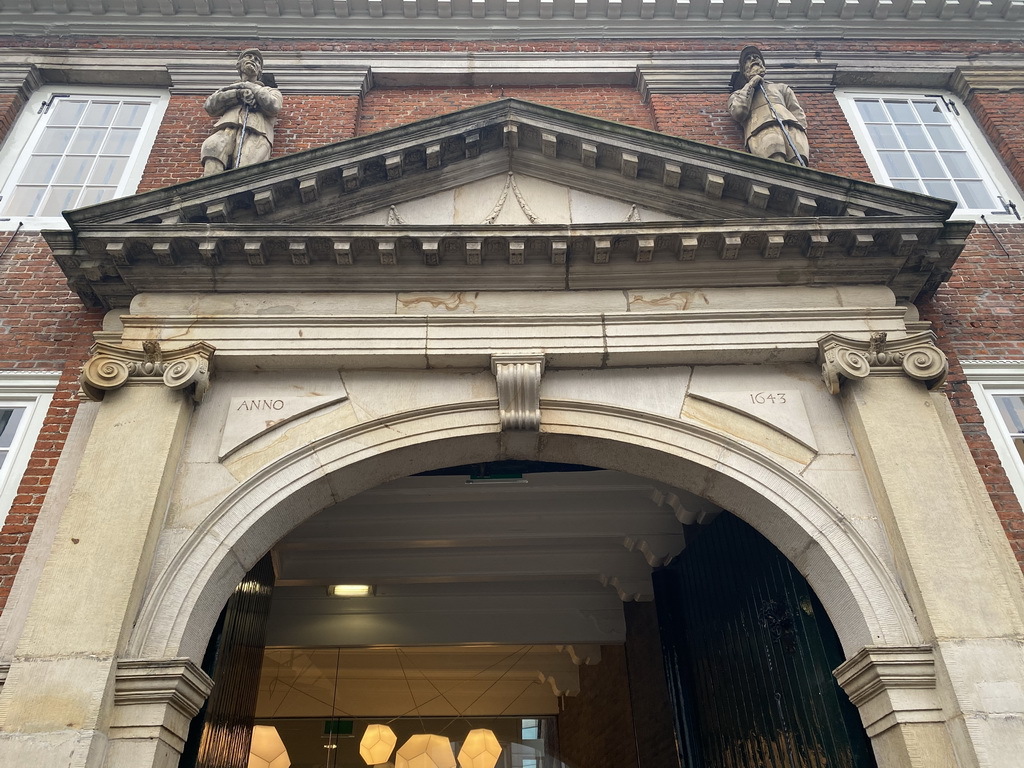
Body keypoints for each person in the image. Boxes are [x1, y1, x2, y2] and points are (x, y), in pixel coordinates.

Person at [201, 48, 283, 176]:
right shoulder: (228, 89)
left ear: (260, 71)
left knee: (246, 168)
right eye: (248, 57)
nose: (252, 61)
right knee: (212, 148)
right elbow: (210, 106)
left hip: (256, 132)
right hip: (227, 127)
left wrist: (252, 87)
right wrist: (237, 94)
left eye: (257, 60)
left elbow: (274, 106)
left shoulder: (270, 91)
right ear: (239, 65)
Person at [728, 45, 809, 167]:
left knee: (798, 160)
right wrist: (751, 85)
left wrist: (800, 129)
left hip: (791, 126)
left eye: (756, 57)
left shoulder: (781, 88)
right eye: (748, 59)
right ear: (744, 70)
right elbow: (739, 112)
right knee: (775, 161)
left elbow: (797, 111)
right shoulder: (738, 94)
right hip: (761, 128)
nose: (753, 60)